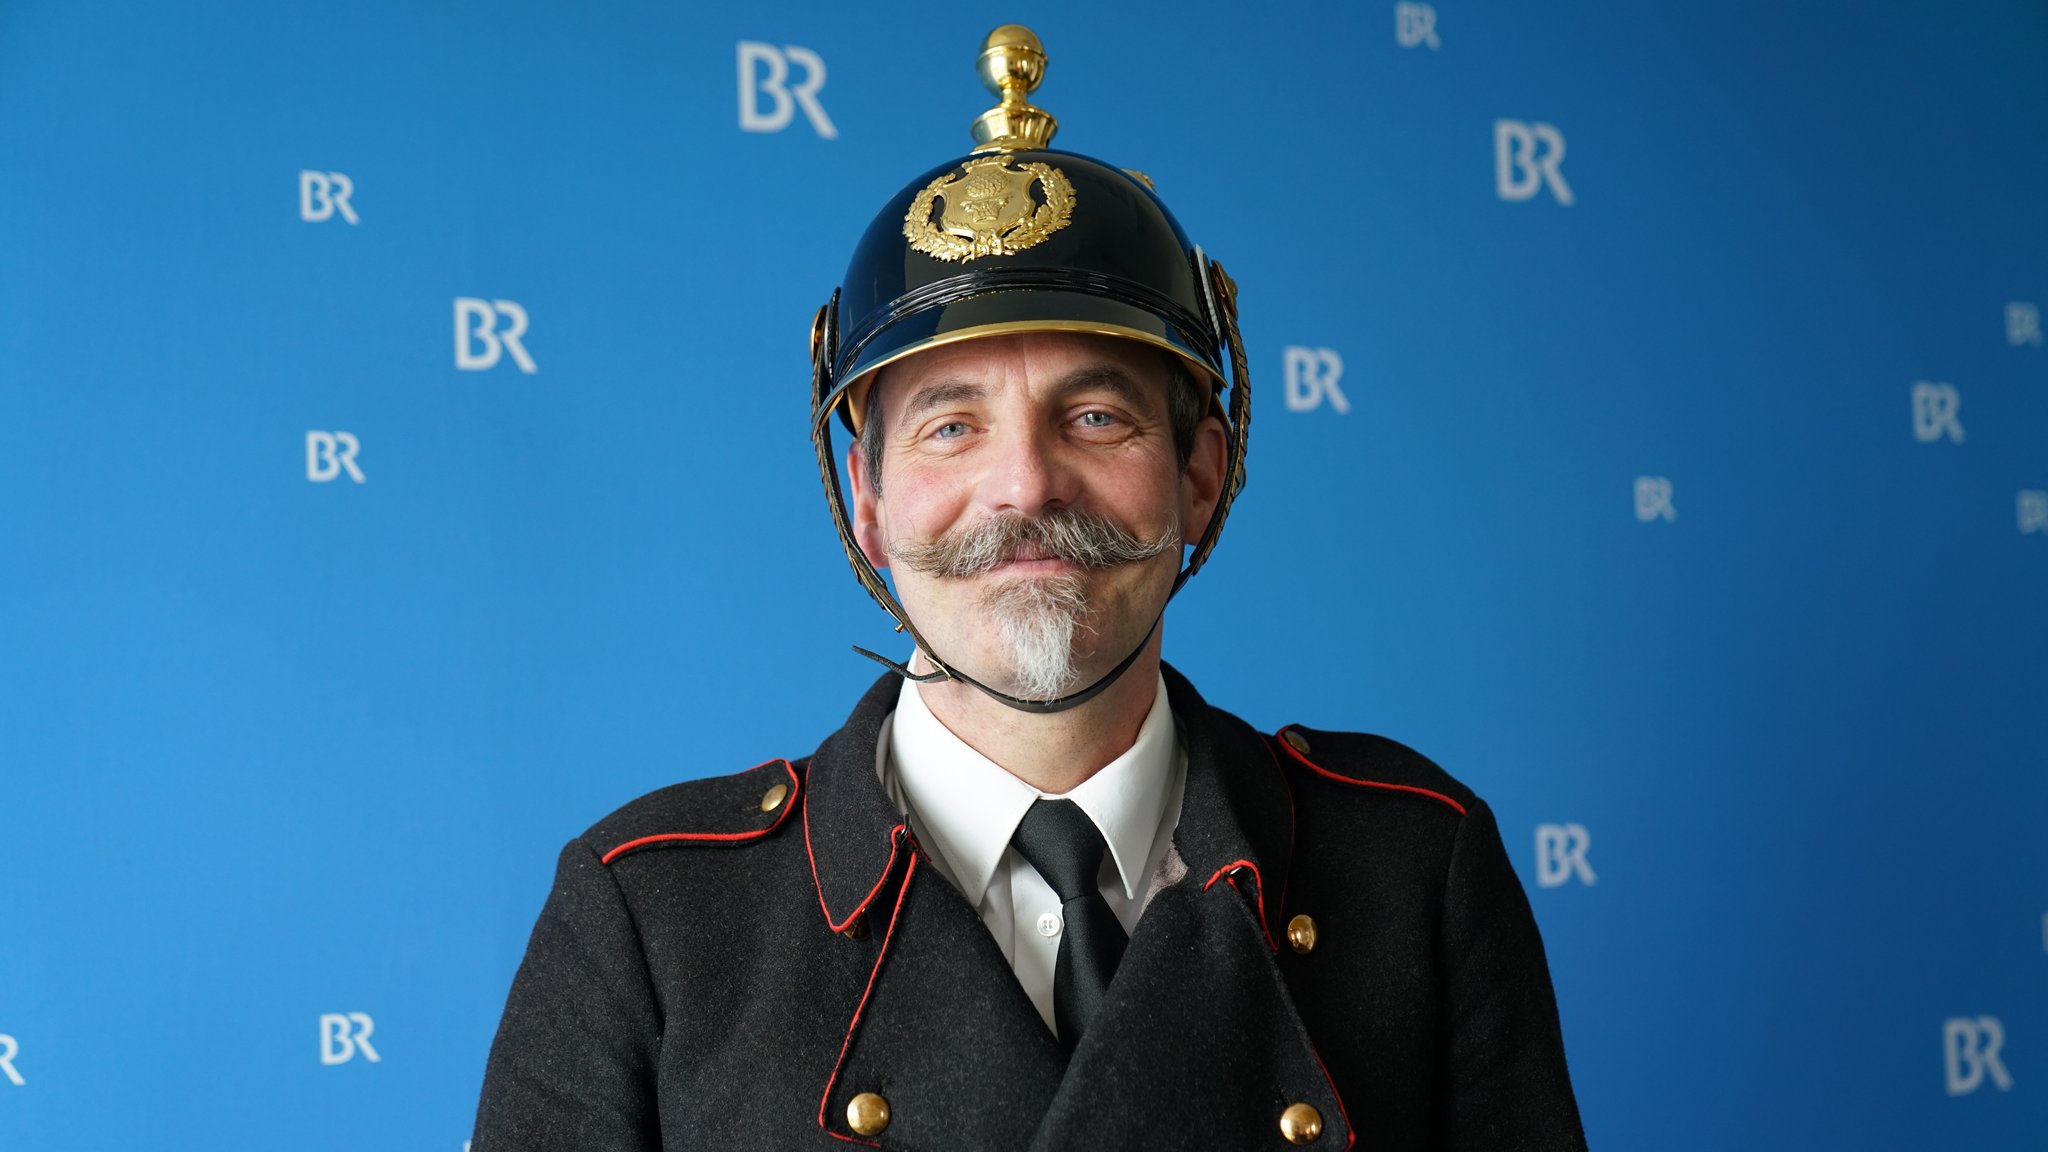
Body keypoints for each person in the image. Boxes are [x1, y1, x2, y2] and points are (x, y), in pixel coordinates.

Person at [473, 25, 1585, 1151]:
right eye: (952, 427)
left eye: (1094, 417)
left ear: (1202, 473)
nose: (1022, 485)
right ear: (866, 501)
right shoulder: (650, 915)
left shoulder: (1410, 868)